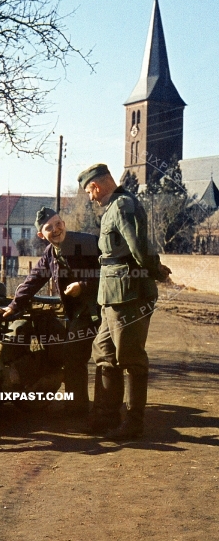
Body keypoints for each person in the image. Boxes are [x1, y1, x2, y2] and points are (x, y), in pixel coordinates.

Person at [77, 164, 171, 439]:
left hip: (128, 294)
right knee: (104, 353)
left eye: (89, 191)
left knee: (130, 358)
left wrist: (154, 270)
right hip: (111, 295)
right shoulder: (114, 207)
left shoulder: (122, 206)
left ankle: (133, 423)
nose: (91, 198)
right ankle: (105, 417)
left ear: (96, 186)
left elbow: (138, 248)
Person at [0, 206, 100, 415]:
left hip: (101, 305)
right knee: (74, 355)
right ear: (41, 235)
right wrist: (13, 305)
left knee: (105, 357)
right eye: (49, 227)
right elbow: (33, 280)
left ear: (64, 223)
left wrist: (83, 285)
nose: (56, 229)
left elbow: (109, 272)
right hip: (78, 310)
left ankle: (98, 410)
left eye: (58, 223)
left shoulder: (87, 242)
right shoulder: (50, 253)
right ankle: (78, 408)